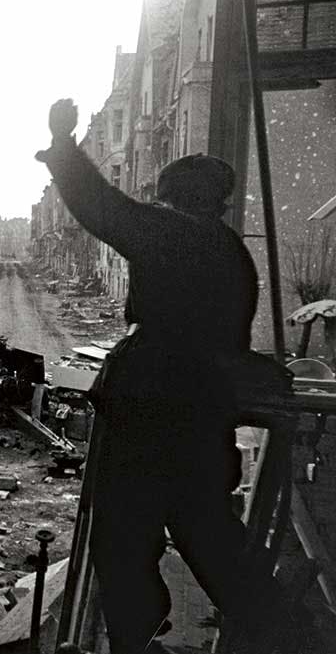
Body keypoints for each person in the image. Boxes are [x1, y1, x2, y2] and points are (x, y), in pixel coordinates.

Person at [35, 99, 285, 653]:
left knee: (125, 539)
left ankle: (142, 627)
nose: (157, 208)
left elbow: (104, 209)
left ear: (176, 200)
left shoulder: (175, 234)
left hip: (154, 412)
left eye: (163, 200)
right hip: (199, 411)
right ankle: (277, 625)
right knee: (210, 533)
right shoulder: (229, 250)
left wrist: (63, 145)